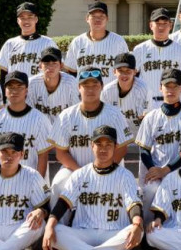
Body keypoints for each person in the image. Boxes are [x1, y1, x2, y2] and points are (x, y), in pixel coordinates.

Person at [43, 126, 143, 250]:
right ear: (91, 146)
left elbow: (133, 205)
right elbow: (63, 203)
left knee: (136, 232)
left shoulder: (125, 175)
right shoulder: (80, 174)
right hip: (83, 232)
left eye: (108, 145)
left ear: (115, 147)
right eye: (99, 144)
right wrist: (49, 225)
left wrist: (137, 224)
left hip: (113, 233)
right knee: (55, 229)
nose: (103, 149)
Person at [48, 67, 130, 202]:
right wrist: (82, 173)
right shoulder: (67, 116)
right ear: (79, 87)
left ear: (102, 87)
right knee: (58, 184)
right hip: (73, 169)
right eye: (86, 85)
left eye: (95, 85)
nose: (90, 89)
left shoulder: (115, 114)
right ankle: (58, 222)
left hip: (110, 168)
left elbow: (122, 148)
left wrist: (103, 170)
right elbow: (61, 153)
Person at [136, 69, 181, 207]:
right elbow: (144, 149)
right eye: (167, 86)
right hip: (156, 169)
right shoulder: (151, 117)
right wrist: (154, 170)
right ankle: (147, 226)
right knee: (150, 190)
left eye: (175, 86)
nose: (171, 90)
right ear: (160, 88)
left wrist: (166, 170)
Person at [0, 71, 53, 176]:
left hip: (26, 175)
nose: (14, 91)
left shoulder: (39, 119)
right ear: (5, 91)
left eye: (19, 87)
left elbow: (43, 155)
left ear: (26, 91)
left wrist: (37, 182)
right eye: (10, 87)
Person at [64, 1, 129, 85]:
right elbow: (71, 70)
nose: (98, 19)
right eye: (93, 16)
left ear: (107, 19)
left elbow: (126, 69)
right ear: (87, 18)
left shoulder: (118, 41)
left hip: (110, 94)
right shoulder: (78, 41)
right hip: (84, 95)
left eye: (101, 16)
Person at [132, 8, 181, 96]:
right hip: (147, 102)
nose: (161, 27)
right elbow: (133, 77)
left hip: (172, 101)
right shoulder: (140, 49)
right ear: (151, 25)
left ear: (170, 25)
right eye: (158, 23)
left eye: (165, 23)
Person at [0, 1, 55, 81]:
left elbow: (56, 70)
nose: (26, 21)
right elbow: (3, 75)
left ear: (36, 19)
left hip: (39, 91)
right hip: (16, 91)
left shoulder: (48, 43)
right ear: (18, 21)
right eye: (22, 18)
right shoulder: (9, 44)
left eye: (30, 17)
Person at [103, 52, 154, 134]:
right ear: (114, 72)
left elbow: (146, 118)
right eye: (120, 71)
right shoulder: (107, 91)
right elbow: (105, 119)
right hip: (117, 136)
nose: (124, 74)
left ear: (135, 71)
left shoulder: (144, 89)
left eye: (128, 71)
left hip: (139, 135)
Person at [27, 47, 78, 120]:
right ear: (40, 66)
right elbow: (29, 113)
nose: (50, 67)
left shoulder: (71, 83)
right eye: (46, 63)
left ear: (61, 66)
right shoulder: (31, 83)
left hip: (64, 127)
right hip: (39, 128)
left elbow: (76, 111)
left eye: (54, 63)